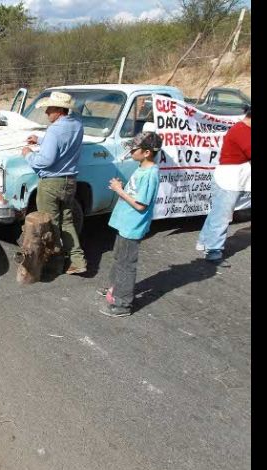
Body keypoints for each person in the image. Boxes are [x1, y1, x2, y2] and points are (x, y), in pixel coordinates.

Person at [21, 91, 87, 275]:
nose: (46, 112)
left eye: (49, 108)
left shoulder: (55, 130)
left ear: (59, 110)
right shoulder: (77, 125)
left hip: (51, 182)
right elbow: (64, 144)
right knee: (66, 221)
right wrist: (41, 140)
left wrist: (28, 154)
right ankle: (77, 259)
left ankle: (55, 263)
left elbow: (46, 160)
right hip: (70, 181)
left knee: (50, 225)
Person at [99, 131, 163, 317]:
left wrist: (119, 190)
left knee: (127, 264)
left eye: (134, 149)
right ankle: (115, 288)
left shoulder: (150, 174)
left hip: (133, 226)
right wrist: (122, 186)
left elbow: (140, 205)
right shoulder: (142, 168)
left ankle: (122, 303)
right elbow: (136, 193)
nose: (130, 152)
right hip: (125, 223)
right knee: (119, 258)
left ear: (146, 153)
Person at [196, 106, 251, 265]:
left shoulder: (244, 129)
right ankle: (213, 250)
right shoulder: (241, 130)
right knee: (223, 216)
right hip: (229, 179)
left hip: (232, 178)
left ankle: (204, 242)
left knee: (217, 213)